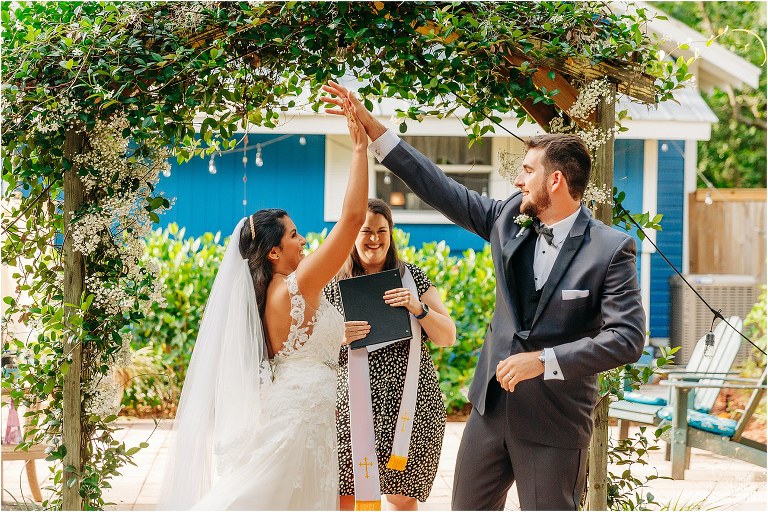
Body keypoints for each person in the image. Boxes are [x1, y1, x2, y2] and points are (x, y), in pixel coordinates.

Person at [321, 81, 646, 511]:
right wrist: (372, 128)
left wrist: (545, 361)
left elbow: (627, 339)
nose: (517, 180)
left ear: (556, 179)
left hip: (555, 422)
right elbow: (436, 185)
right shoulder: (508, 218)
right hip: (489, 413)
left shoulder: (610, 249)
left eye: (527, 171)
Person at [156, 91, 369, 510]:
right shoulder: (297, 284)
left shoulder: (271, 295)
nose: (304, 240)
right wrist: (360, 148)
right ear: (273, 252)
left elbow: (298, 346)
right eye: (294, 235)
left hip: (302, 414)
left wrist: (335, 336)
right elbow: (353, 220)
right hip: (301, 422)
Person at [323, 198, 456, 511]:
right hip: (352, 408)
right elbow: (309, 346)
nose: (374, 238)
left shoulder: (412, 278)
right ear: (353, 233)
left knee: (402, 496)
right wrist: (339, 338)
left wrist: (417, 308)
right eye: (366, 230)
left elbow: (447, 336)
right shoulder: (333, 283)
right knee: (347, 492)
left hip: (411, 405)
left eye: (382, 230)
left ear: (391, 234)